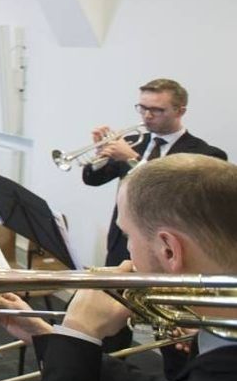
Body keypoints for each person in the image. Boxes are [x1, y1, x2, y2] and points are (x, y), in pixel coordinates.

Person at [0, 154, 237, 381]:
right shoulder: (217, 347)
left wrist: (80, 329)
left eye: (128, 237)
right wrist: (56, 339)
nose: (126, 256)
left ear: (168, 250)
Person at [83, 78, 227, 267]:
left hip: (167, 249)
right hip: (121, 243)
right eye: (142, 108)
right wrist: (100, 156)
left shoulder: (205, 153)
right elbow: (93, 179)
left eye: (157, 110)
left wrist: (132, 159)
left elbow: (173, 195)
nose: (147, 115)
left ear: (180, 111)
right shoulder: (133, 141)